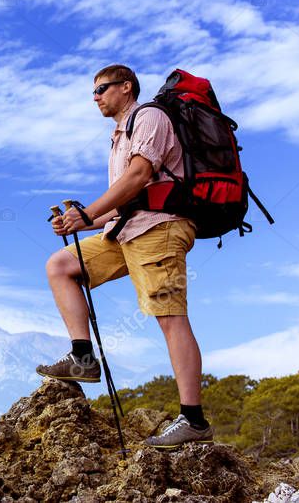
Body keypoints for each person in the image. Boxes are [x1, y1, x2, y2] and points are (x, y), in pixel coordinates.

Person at [35, 64, 213, 450]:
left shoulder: (148, 117)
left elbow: (138, 177)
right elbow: (123, 199)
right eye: (92, 92)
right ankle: (83, 357)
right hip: (124, 231)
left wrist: (86, 214)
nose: (95, 97)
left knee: (170, 319)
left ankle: (194, 419)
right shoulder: (119, 136)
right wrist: (79, 223)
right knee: (61, 265)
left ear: (125, 87)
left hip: (159, 229)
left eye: (101, 88)